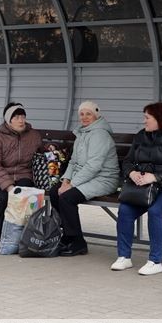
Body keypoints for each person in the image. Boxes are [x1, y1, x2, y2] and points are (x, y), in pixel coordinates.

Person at [111, 102, 162, 275]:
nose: (144, 121)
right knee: (125, 211)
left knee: (155, 212)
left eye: (147, 117)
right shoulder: (141, 136)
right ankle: (124, 257)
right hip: (146, 188)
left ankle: (155, 261)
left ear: (159, 119)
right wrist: (132, 173)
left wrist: (155, 177)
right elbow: (128, 161)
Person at [50, 100, 120, 256]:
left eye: (89, 114)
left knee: (67, 197)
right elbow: (73, 161)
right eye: (81, 114)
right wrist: (65, 181)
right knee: (55, 192)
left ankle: (78, 242)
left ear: (96, 116)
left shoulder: (100, 134)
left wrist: (72, 184)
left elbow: (94, 166)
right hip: (86, 177)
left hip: (104, 178)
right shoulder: (81, 133)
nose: (84, 117)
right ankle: (67, 236)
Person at [0, 102, 42, 249]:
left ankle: (22, 236)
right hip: (3, 176)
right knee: (3, 199)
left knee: (24, 197)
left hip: (24, 175)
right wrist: (8, 186)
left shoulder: (33, 135)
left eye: (23, 116)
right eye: (16, 117)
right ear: (8, 120)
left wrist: (51, 148)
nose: (21, 120)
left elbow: (42, 151)